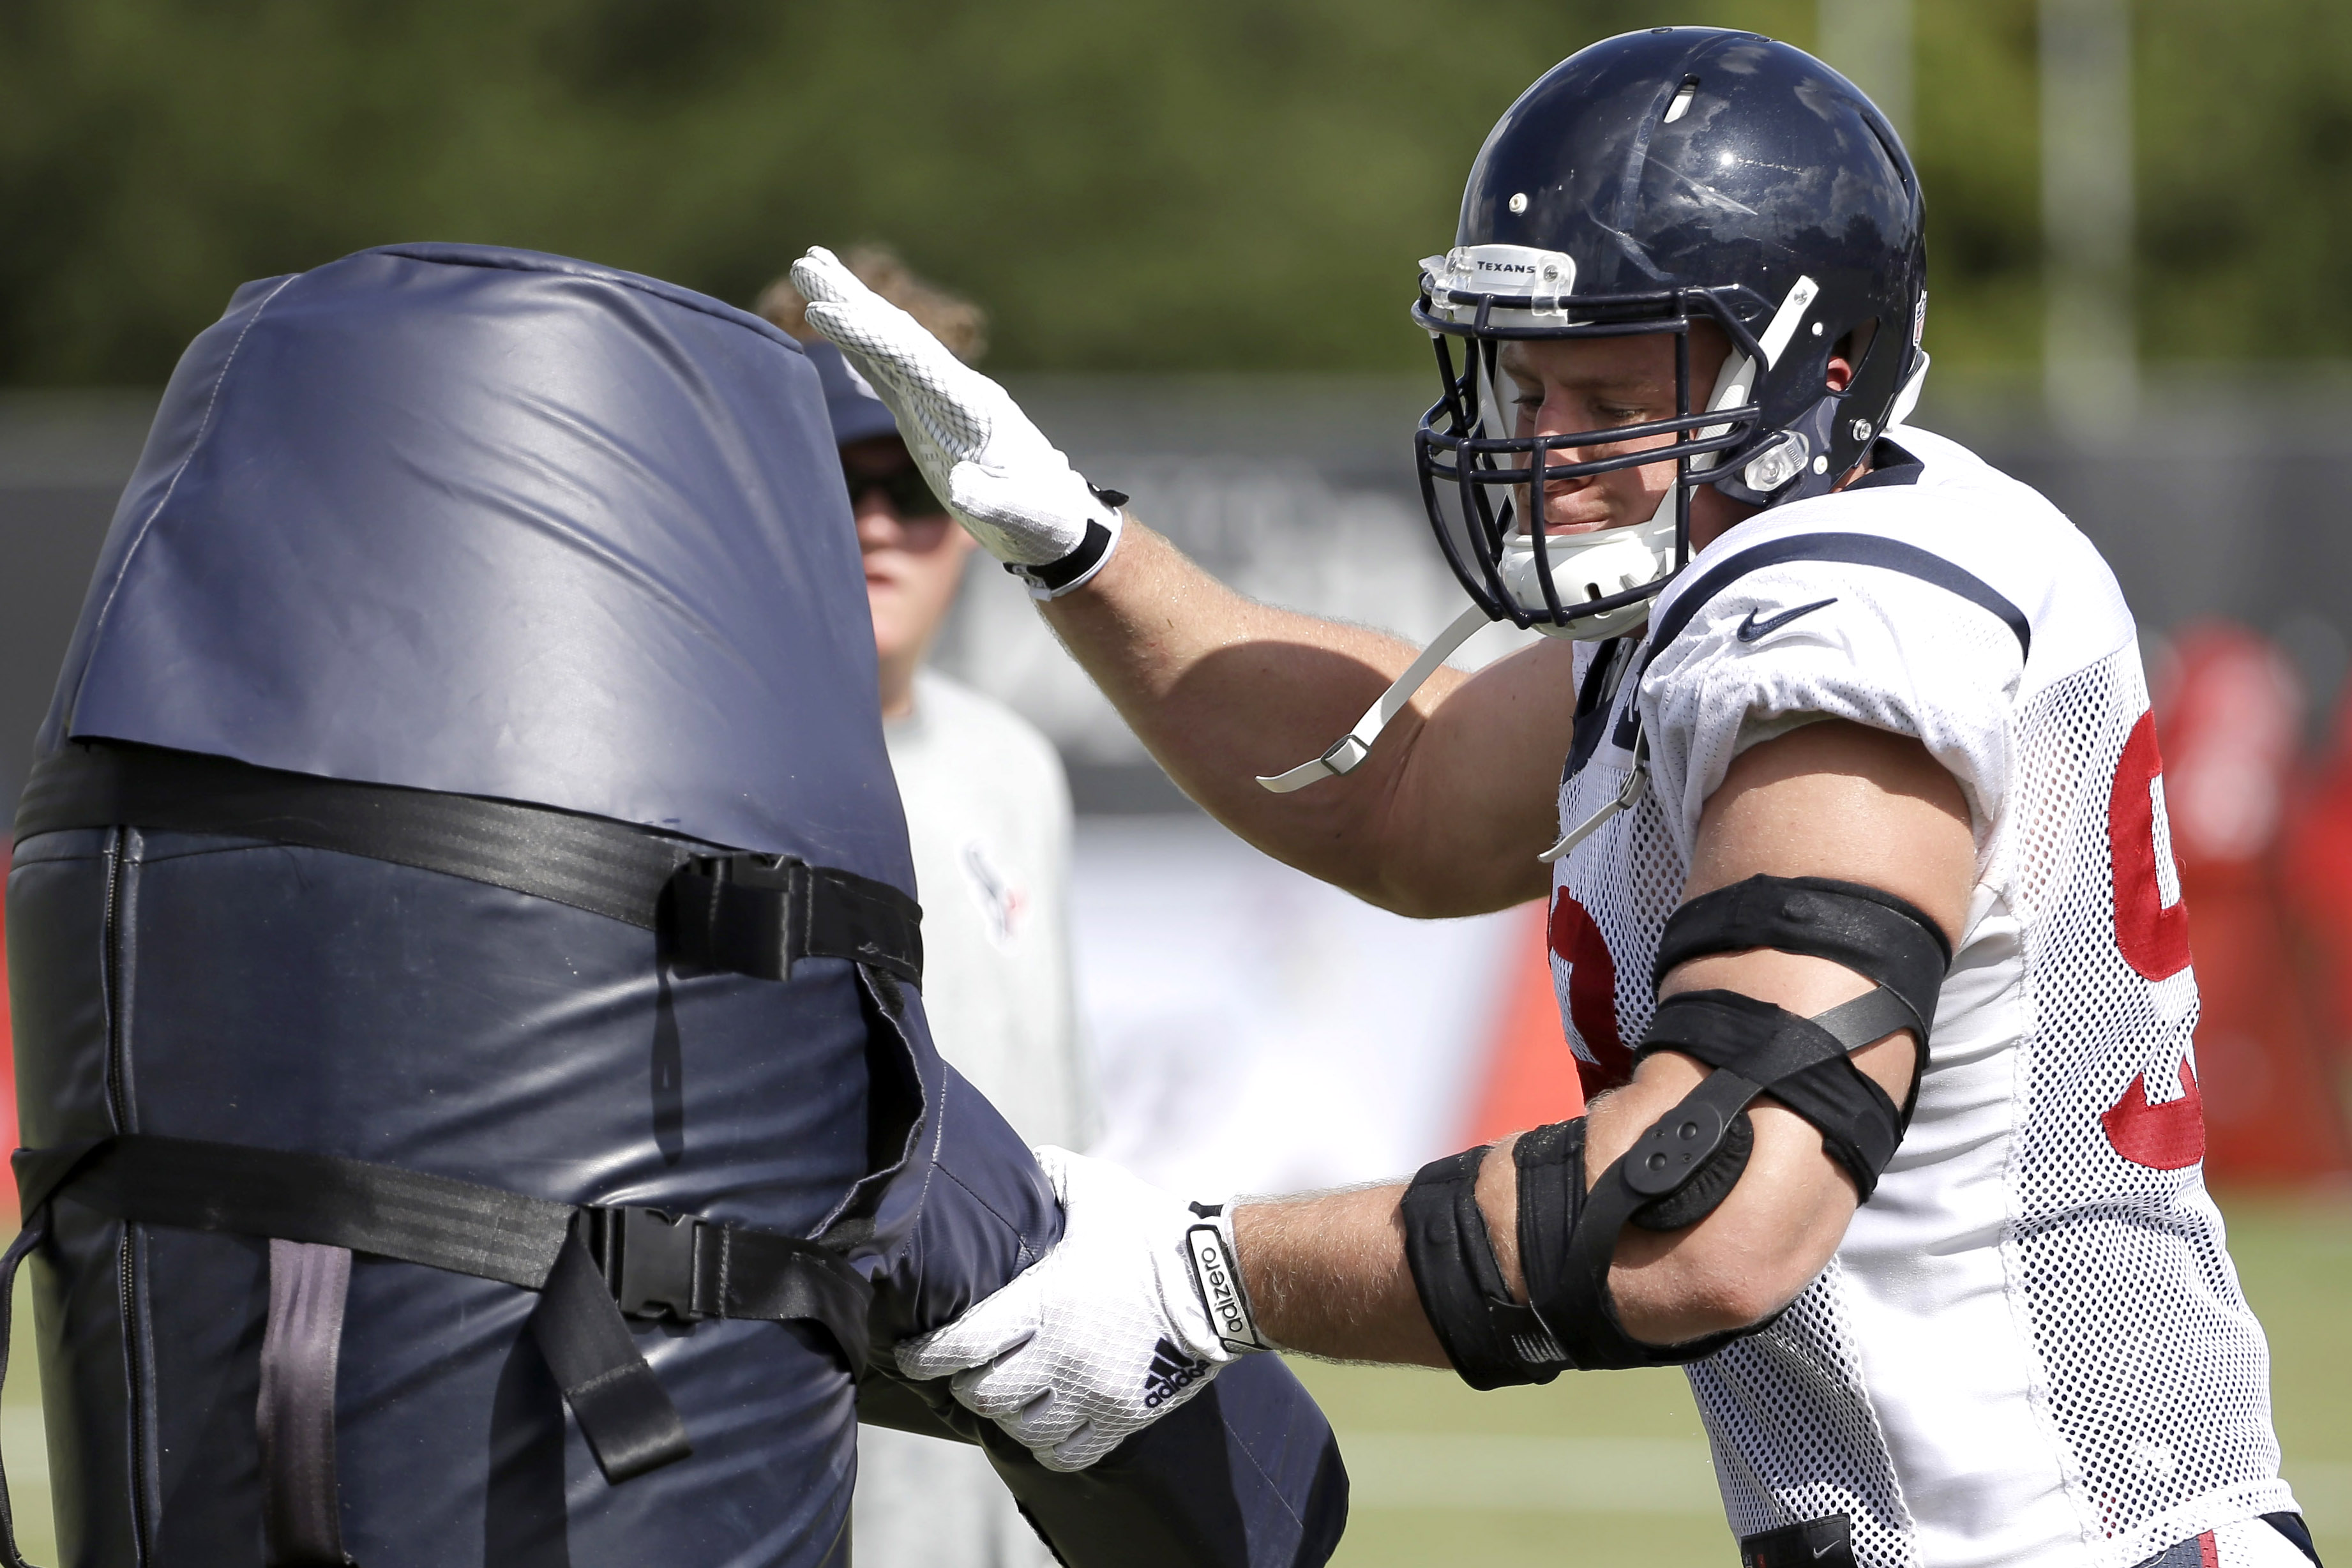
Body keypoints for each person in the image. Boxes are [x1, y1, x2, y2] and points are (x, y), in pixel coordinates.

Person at [790, 27, 2322, 1568]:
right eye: (1528, 382)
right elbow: (1402, 785)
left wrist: (1206, 1275)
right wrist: (1071, 539)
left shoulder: (1841, 620)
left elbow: (1715, 1203)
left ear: (1818, 375)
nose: (1551, 443)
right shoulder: (1745, 579)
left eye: (1607, 386)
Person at [760, 250, 1092, 1568]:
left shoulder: (1019, 762)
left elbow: (1064, 1110)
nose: (885, 521)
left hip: (1015, 1429)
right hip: (815, 1425)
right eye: (844, 481)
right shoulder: (700, 769)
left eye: (918, 483)